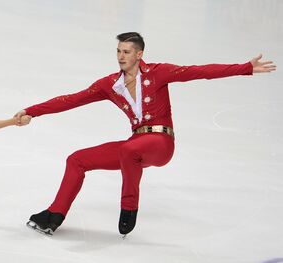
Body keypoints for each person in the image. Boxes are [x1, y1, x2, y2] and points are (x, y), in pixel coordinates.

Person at [14, 32, 276, 236]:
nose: (120, 56)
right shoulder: (110, 85)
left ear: (139, 54)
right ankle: (54, 215)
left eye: (126, 51)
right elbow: (71, 99)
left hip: (160, 143)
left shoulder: (159, 72)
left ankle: (129, 208)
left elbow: (201, 71)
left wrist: (245, 68)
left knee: (129, 150)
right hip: (136, 144)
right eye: (118, 51)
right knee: (77, 159)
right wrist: (32, 111)